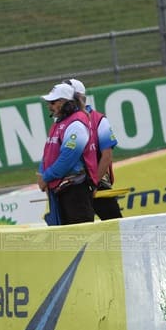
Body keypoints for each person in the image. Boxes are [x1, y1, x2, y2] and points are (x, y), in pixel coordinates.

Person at [36, 82, 98, 226]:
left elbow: (68, 158)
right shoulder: (59, 123)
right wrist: (42, 173)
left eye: (53, 102)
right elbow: (48, 153)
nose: (49, 106)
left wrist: (46, 177)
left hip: (75, 190)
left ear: (65, 102)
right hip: (62, 190)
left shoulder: (76, 124)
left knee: (81, 235)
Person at [69, 78, 123, 221]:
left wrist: (93, 184)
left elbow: (107, 156)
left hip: (97, 185)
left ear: (78, 98)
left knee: (114, 224)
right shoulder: (63, 122)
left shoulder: (98, 120)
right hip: (75, 188)